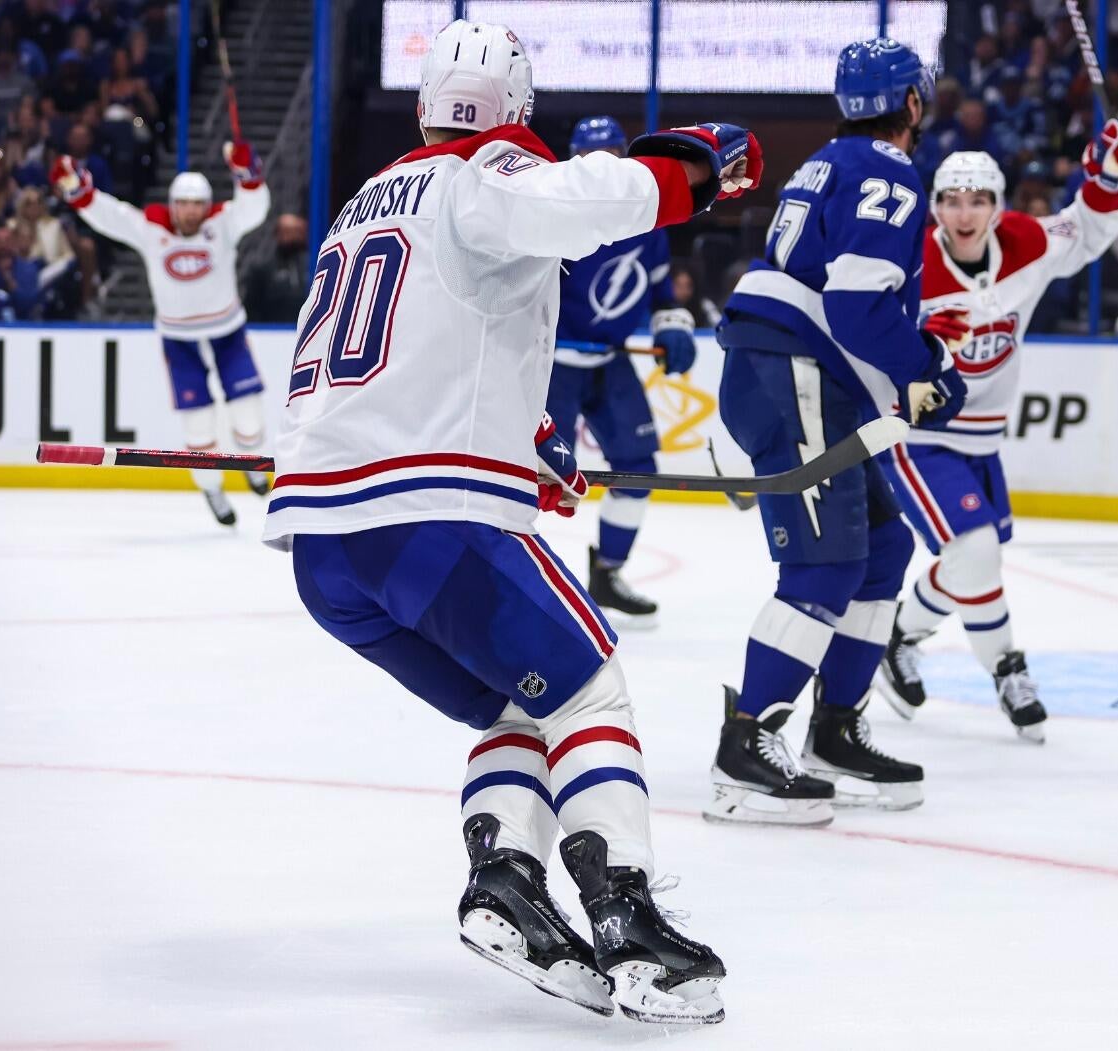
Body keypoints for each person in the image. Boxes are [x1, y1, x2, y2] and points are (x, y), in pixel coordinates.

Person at [260, 20, 758, 1023]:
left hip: (327, 550)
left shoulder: (366, 202)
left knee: (515, 705)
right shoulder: (484, 178)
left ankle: (506, 883)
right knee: (588, 685)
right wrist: (693, 166)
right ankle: (628, 919)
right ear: (517, 115)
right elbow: (590, 195)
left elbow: (425, 347)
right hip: (424, 522)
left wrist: (525, 437)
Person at [711, 39, 966, 823]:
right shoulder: (888, 171)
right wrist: (926, 363)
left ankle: (835, 727)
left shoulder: (825, 162)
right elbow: (857, 303)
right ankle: (745, 745)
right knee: (826, 567)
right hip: (797, 377)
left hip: (798, 373)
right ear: (913, 105)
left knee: (884, 550)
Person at [874, 135, 1118, 738]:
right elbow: (852, 321)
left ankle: (901, 638)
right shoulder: (906, 262)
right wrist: (912, 338)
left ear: (996, 206)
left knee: (970, 558)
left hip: (984, 439)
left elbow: (1088, 230)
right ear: (934, 207)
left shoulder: (1027, 241)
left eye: (977, 200)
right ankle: (1008, 670)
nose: (964, 214)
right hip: (920, 433)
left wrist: (1107, 173)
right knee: (975, 550)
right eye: (951, 201)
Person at [54, 137, 272, 527]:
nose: (190, 212)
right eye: (183, 204)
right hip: (179, 339)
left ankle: (253, 468)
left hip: (228, 333)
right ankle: (212, 488)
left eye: (197, 205)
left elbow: (254, 209)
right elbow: (112, 216)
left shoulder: (221, 224)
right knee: (199, 425)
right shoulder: (152, 229)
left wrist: (249, 176)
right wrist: (79, 193)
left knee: (249, 415)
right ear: (173, 205)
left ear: (206, 207)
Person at [546, 115, 700, 627]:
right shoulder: (552, 216)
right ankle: (531, 588)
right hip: (553, 367)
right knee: (539, 481)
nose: (606, 166)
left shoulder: (647, 221)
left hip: (610, 361)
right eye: (594, 158)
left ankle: (608, 573)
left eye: (615, 154)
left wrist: (673, 323)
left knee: (637, 468)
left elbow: (658, 289)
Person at [238, 213, 309, 323]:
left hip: (304, 329)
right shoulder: (262, 268)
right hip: (271, 332)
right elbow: (251, 308)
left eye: (297, 231)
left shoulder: (312, 264)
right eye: (288, 231)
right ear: (278, 234)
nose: (293, 237)